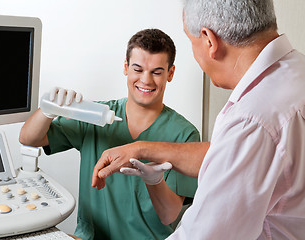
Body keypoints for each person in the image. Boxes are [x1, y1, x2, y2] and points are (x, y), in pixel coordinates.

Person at [92, 0, 305, 239]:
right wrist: (142, 148)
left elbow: (203, 234)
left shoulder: (252, 119)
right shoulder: (296, 72)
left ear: (209, 40)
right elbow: (231, 155)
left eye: (190, 41)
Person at [19, 28, 200, 240]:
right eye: (138, 69)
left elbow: (169, 216)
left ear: (170, 73)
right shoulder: (94, 116)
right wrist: (48, 110)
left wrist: (155, 182)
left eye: (157, 72)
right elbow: (28, 138)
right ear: (126, 67)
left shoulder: (184, 135)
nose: (146, 80)